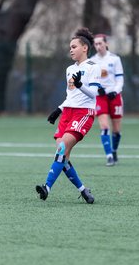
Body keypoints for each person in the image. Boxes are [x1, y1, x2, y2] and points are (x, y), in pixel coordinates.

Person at [36, 27, 101, 204]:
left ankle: (47, 187)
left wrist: (81, 85)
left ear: (85, 48)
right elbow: (70, 95)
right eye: (70, 47)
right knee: (63, 157)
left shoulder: (94, 67)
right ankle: (83, 190)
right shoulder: (69, 69)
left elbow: (94, 94)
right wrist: (58, 109)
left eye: (74, 46)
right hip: (68, 113)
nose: (70, 49)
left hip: (83, 114)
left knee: (61, 149)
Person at [91, 34, 124, 166]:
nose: (98, 46)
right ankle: (109, 155)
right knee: (105, 126)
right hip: (100, 97)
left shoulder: (115, 59)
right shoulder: (92, 61)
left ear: (106, 43)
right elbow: (92, 81)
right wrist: (98, 88)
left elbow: (120, 80)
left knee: (116, 130)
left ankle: (114, 150)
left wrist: (115, 91)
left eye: (100, 43)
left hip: (114, 96)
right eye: (96, 44)